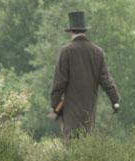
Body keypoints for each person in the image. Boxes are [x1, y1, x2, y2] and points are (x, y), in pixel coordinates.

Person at [49, 10, 121, 139]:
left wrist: (56, 106)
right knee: (87, 140)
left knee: (71, 142)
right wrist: (115, 100)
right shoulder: (97, 52)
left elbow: (59, 83)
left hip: (70, 111)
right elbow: (107, 81)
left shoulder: (66, 51)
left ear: (71, 31)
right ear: (85, 31)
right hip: (89, 110)